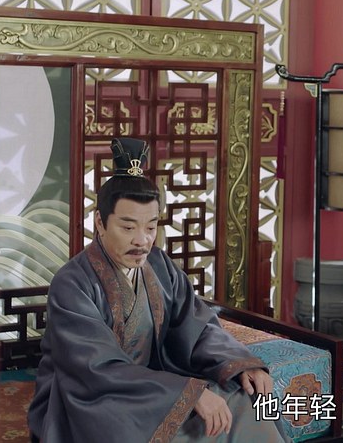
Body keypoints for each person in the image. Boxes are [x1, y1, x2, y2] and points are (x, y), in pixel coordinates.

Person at [27, 138, 289, 443]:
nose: (142, 240)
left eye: (150, 227)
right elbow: (96, 368)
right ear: (100, 222)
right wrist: (188, 394)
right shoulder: (72, 284)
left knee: (245, 397)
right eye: (128, 227)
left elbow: (197, 328)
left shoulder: (159, 266)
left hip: (154, 389)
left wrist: (238, 364)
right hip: (93, 399)